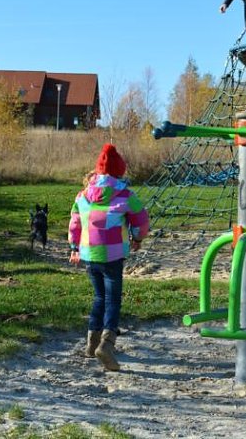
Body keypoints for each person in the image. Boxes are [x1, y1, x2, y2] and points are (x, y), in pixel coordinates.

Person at [68, 143, 149, 371]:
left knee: (99, 297)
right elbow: (141, 220)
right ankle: (106, 344)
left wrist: (74, 245)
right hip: (113, 255)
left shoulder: (83, 195)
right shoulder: (125, 195)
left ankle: (91, 341)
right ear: (120, 171)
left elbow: (75, 221)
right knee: (113, 299)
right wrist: (137, 237)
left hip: (90, 253)